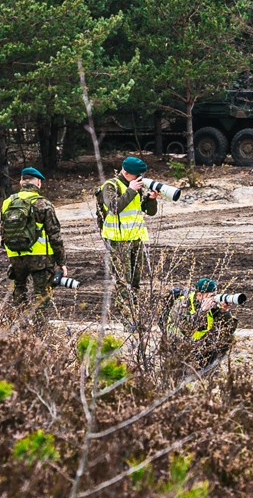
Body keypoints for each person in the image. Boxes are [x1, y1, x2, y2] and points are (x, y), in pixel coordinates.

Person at [0, 167, 65, 311]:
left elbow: (3, 230)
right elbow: (55, 235)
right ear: (38, 183)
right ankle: (38, 324)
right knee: (41, 296)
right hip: (40, 258)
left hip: (16, 255)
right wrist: (61, 262)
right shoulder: (43, 203)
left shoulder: (7, 202)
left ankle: (18, 322)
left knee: (19, 290)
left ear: (21, 182)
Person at [96, 156, 161, 297]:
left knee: (135, 281)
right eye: (136, 175)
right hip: (118, 241)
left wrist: (151, 200)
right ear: (125, 173)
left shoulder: (135, 187)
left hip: (135, 238)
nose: (139, 178)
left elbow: (150, 211)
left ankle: (135, 307)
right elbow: (114, 207)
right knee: (123, 282)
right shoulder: (110, 186)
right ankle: (124, 308)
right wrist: (131, 190)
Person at [166, 278, 239, 368]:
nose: (213, 299)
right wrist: (202, 311)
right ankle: (185, 367)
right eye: (211, 295)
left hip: (198, 343)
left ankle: (208, 366)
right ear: (199, 295)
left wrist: (224, 311)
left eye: (215, 295)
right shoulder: (182, 303)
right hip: (179, 344)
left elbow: (228, 329)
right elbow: (186, 329)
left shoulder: (211, 305)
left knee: (229, 338)